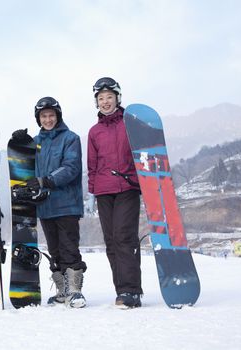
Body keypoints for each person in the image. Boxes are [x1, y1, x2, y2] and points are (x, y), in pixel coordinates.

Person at [12, 97, 87, 308]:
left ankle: (75, 291)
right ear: (38, 118)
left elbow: (71, 167)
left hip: (67, 203)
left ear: (58, 116)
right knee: (54, 250)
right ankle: (63, 291)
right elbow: (26, 167)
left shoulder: (70, 138)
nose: (47, 119)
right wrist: (21, 144)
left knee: (69, 247)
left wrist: (46, 181)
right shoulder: (36, 142)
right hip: (45, 206)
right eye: (43, 116)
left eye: (51, 115)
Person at [87, 77, 143, 308]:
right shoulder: (94, 131)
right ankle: (121, 291)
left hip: (128, 187)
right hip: (103, 191)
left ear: (118, 98)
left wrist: (144, 182)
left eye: (109, 97)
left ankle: (132, 290)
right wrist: (92, 192)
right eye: (101, 98)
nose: (105, 101)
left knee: (124, 236)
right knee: (111, 241)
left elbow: (142, 153)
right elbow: (92, 165)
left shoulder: (130, 123)